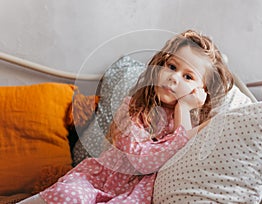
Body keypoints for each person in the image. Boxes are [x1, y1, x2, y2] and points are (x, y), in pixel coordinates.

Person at [18, 29, 233, 204]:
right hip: (100, 179)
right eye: (171, 66)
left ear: (202, 91)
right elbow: (141, 161)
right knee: (70, 196)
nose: (173, 78)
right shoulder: (134, 108)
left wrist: (184, 109)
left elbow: (182, 153)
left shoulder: (194, 122)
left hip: (135, 192)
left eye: (188, 76)